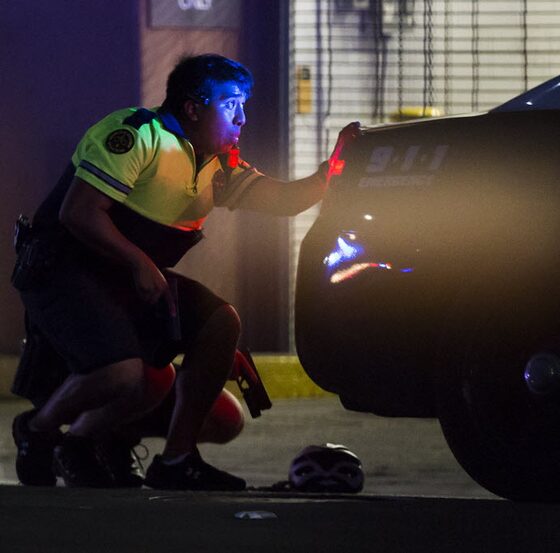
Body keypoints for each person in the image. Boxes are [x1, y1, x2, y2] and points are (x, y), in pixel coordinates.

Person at [11, 54, 341, 490]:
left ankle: (173, 460)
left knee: (220, 326)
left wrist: (334, 169)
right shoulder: (137, 133)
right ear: (192, 107)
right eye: (230, 104)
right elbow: (80, 213)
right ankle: (38, 431)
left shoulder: (215, 164)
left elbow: (283, 201)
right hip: (65, 272)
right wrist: (140, 261)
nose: (242, 117)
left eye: (245, 104)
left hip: (125, 281)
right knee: (123, 372)